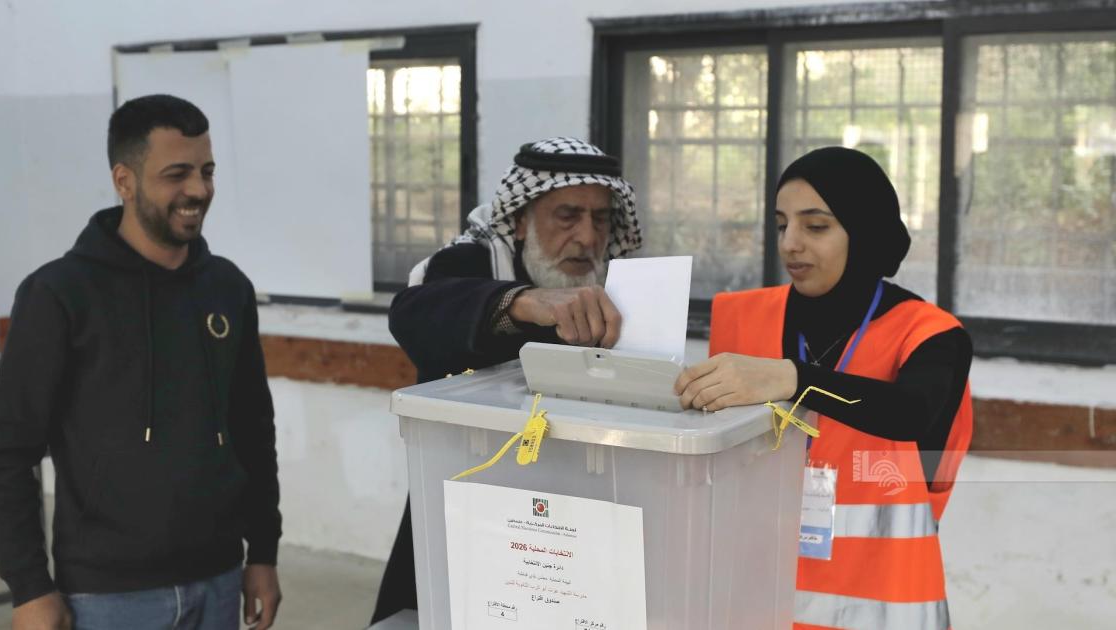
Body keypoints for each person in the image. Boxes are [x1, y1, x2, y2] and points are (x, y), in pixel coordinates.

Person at [0, 94, 282, 630]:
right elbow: (8, 450)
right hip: (107, 596)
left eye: (207, 171)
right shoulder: (59, 294)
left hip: (218, 580)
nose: (198, 190)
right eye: (177, 174)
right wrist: (29, 588)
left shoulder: (227, 287)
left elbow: (253, 430)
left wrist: (262, 552)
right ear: (125, 181)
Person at [674, 146, 973, 630]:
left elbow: (911, 412)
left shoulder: (930, 335)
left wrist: (794, 379)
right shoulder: (740, 319)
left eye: (815, 227)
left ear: (865, 232)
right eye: (781, 225)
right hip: (751, 607)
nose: (790, 244)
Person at [372, 137, 643, 623]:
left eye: (601, 219)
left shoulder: (612, 281)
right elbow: (412, 313)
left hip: (576, 509)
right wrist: (521, 303)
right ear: (519, 220)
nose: (587, 237)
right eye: (567, 216)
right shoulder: (467, 262)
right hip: (468, 502)